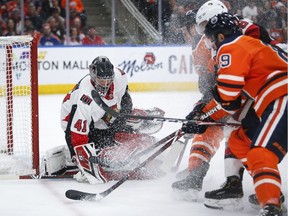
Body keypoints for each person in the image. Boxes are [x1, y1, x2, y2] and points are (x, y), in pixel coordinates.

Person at [172, 0, 287, 209]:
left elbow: (226, 95)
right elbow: (213, 87)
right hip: (254, 93)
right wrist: (202, 109)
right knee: (237, 138)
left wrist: (202, 115)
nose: (202, 35)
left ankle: (230, 183)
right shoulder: (232, 35)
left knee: (231, 129)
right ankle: (263, 188)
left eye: (204, 29)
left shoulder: (233, 40)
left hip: (264, 93)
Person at [60, 56, 165, 184]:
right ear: (93, 76)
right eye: (101, 80)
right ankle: (103, 153)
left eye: (108, 80)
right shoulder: (85, 97)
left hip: (101, 114)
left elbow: (125, 98)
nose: (105, 84)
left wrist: (123, 119)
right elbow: (76, 135)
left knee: (128, 123)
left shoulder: (120, 76)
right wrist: (82, 161)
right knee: (103, 143)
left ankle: (123, 144)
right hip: (73, 121)